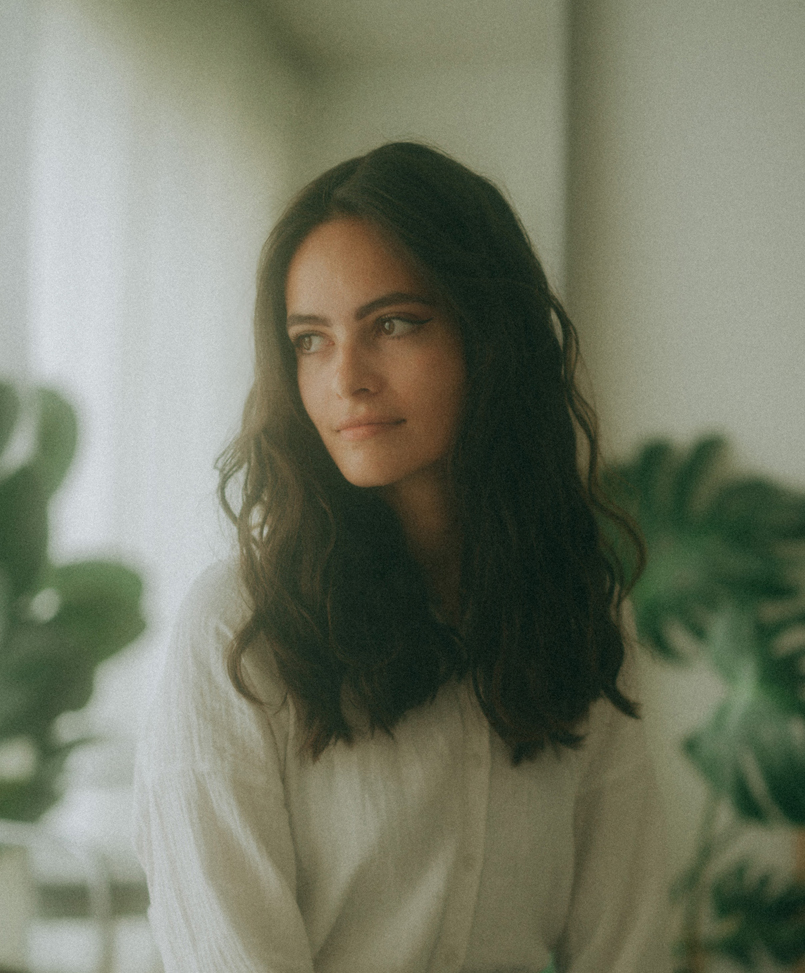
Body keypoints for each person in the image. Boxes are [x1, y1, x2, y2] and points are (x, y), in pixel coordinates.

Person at [134, 141, 671, 972]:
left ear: (487, 337)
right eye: (309, 340)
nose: (345, 376)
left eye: (393, 324)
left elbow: (624, 942)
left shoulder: (578, 613)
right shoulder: (240, 628)